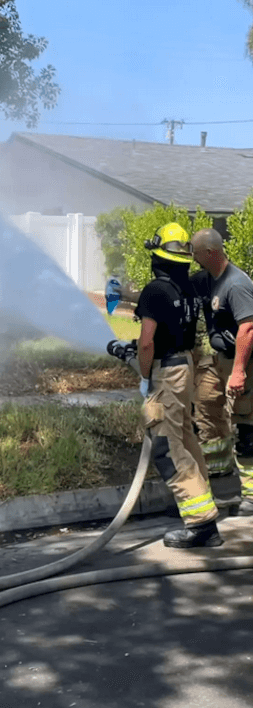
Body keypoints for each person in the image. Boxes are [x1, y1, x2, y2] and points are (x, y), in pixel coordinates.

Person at [136, 222, 222, 548]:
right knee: (185, 436)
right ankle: (202, 502)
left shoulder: (155, 290)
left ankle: (201, 524)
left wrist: (145, 379)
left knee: (166, 449)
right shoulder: (186, 287)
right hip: (185, 366)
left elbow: (147, 344)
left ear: (157, 254)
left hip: (166, 372)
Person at [191, 228, 253, 515]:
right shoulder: (206, 280)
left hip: (242, 361)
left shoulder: (236, 284)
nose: (192, 257)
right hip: (217, 360)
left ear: (210, 253)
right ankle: (223, 487)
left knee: (245, 425)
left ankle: (251, 496)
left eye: (195, 252)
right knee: (205, 410)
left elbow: (248, 328)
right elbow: (180, 289)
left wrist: (239, 371)